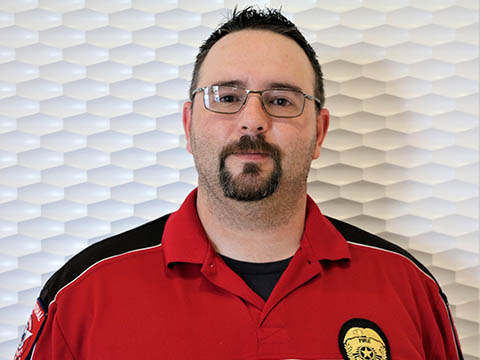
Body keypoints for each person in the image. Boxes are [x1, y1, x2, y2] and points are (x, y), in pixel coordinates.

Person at [15, 7, 463, 360]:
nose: (253, 120)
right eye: (227, 97)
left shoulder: (408, 288)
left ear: (319, 133)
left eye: (281, 100)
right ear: (189, 125)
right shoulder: (84, 294)